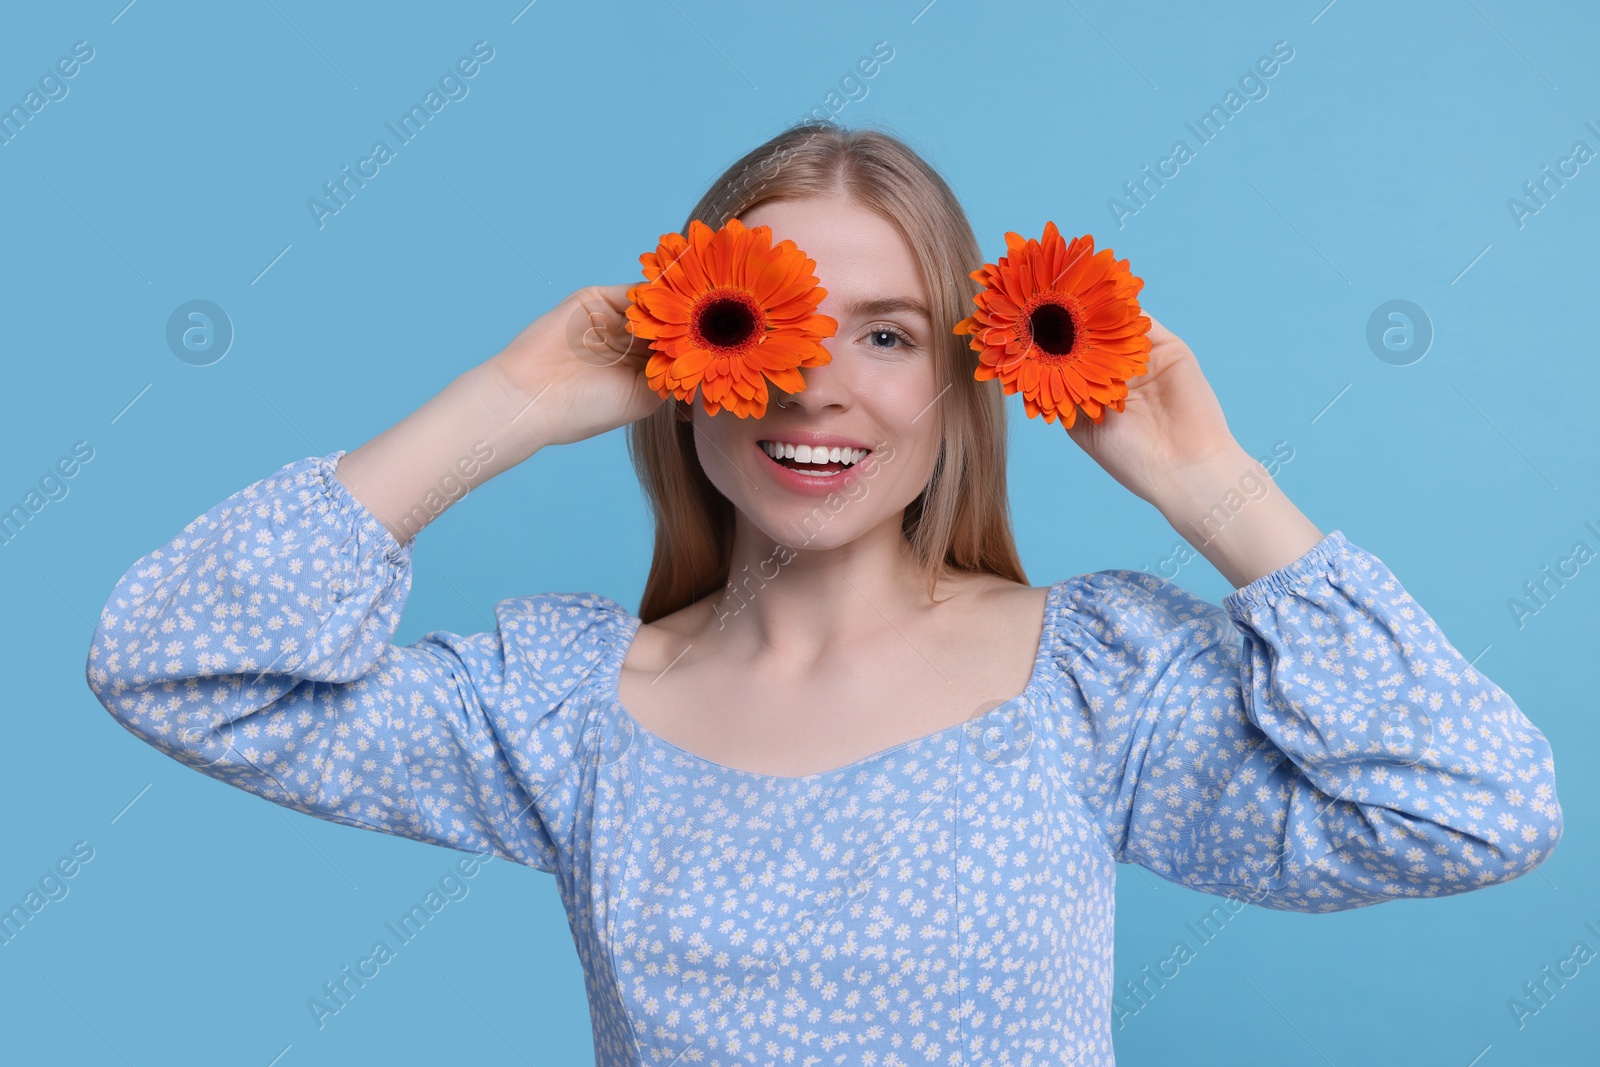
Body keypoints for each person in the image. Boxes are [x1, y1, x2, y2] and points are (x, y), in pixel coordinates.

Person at [84, 122, 1562, 1065]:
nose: (817, 386)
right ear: (687, 360)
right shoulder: (565, 714)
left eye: (889, 335)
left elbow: (1474, 807)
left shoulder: (1094, 681)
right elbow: (176, 666)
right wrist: (508, 402)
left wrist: (1213, 489)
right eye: (765, 320)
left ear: (965, 380)